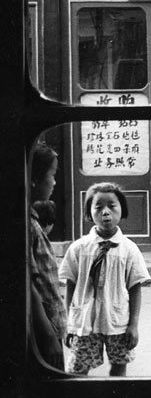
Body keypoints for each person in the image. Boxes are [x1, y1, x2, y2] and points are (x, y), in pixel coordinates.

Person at [59, 182, 150, 376]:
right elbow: (70, 285)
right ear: (89, 212)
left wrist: (133, 324)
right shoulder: (79, 248)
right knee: (77, 368)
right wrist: (69, 323)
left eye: (112, 206)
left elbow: (135, 288)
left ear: (122, 210)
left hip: (117, 320)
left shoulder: (129, 249)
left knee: (119, 365)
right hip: (84, 320)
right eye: (98, 207)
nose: (105, 212)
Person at [28, 142, 66, 370]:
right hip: (44, 329)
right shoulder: (28, 225)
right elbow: (30, 284)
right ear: (34, 179)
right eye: (52, 175)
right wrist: (49, 335)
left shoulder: (32, 219)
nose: (54, 182)